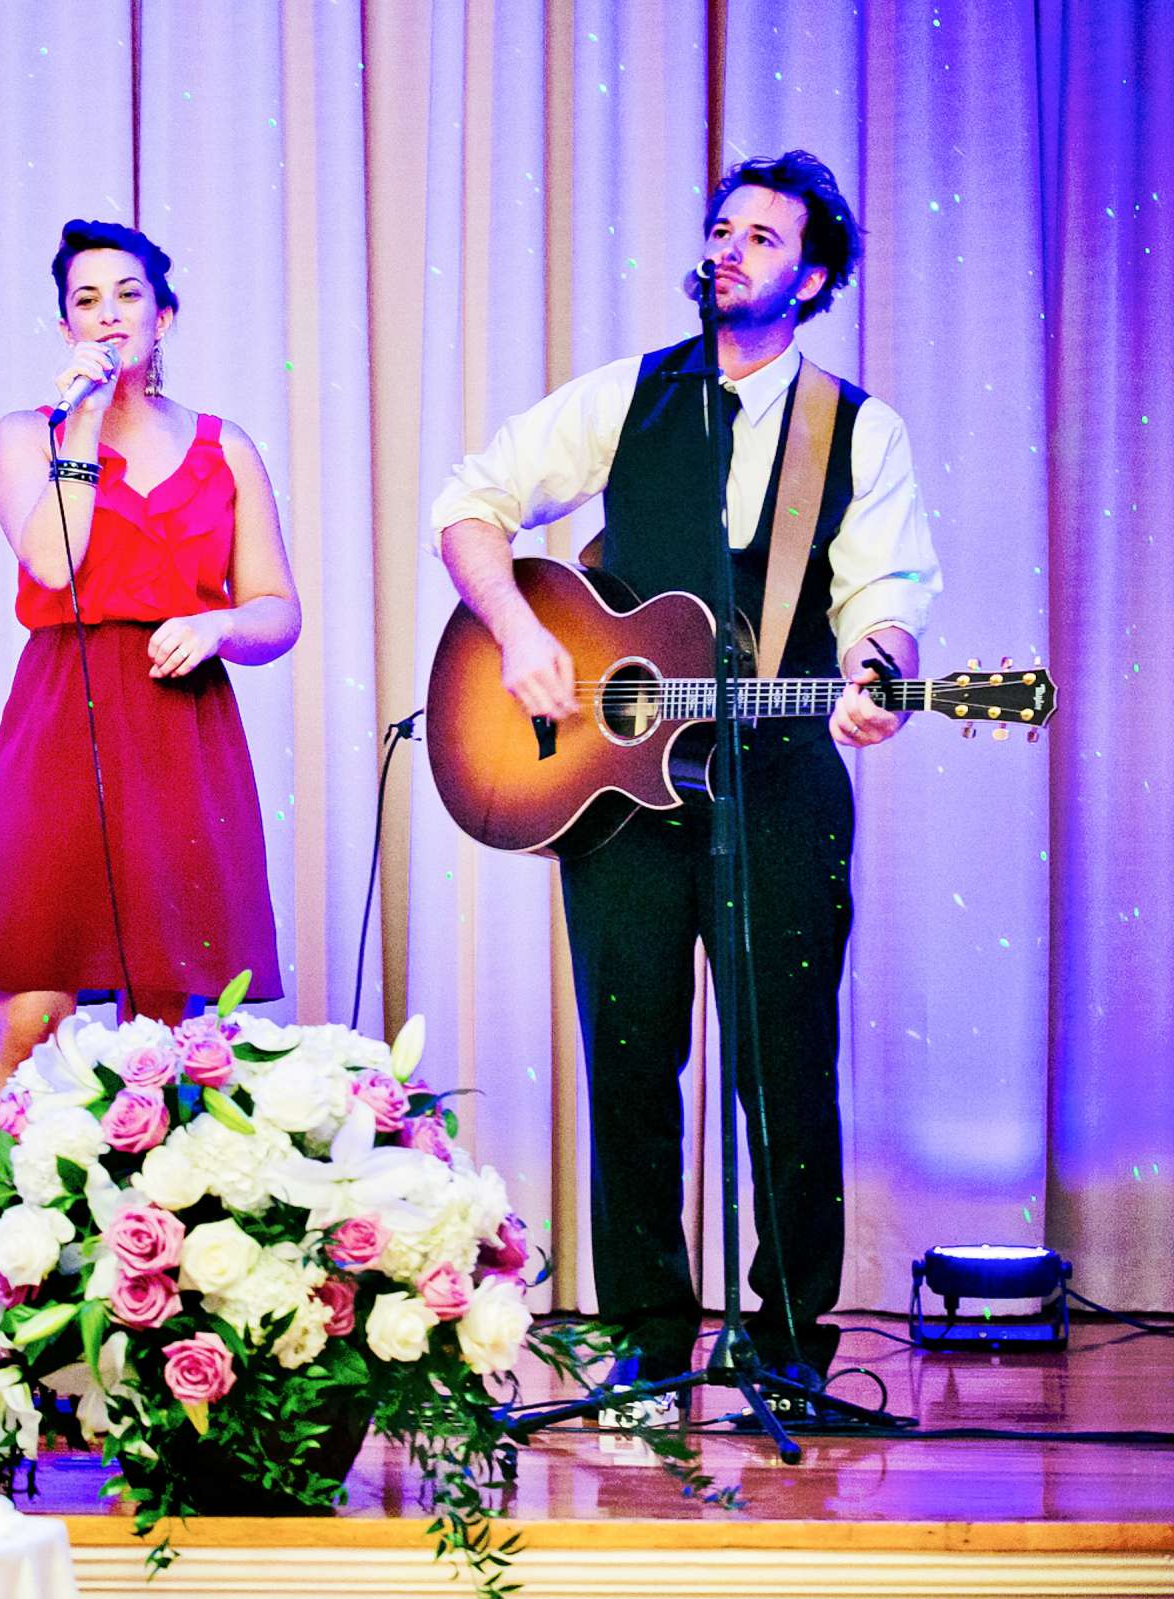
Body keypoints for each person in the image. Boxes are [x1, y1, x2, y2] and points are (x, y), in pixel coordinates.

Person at [430, 151, 941, 1419]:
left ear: (814, 276)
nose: (729, 250)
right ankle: (650, 1342)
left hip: (775, 781)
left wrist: (882, 668)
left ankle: (784, 1343)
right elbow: (471, 502)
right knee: (630, 1057)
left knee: (785, 1065)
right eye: (721, 229)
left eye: (761, 238)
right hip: (613, 794)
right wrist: (520, 631)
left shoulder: (857, 427)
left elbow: (886, 596)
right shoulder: (632, 394)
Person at [0, 220, 302, 1098]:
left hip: (182, 726)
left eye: (128, 296)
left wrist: (221, 627)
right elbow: (53, 559)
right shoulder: (26, 435)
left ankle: (164, 1229)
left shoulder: (224, 446)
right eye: (87, 301)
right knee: (29, 1006)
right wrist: (80, 417)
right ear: (65, 327)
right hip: (61, 725)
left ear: (165, 316)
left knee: (172, 1024)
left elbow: (280, 611)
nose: (110, 316)